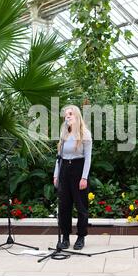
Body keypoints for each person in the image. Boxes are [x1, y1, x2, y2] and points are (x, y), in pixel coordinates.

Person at [53, 105, 92, 250]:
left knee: (81, 206)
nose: (67, 117)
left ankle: (81, 237)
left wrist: (84, 177)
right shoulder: (64, 133)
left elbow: (88, 158)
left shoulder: (85, 134)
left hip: (78, 168)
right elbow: (59, 156)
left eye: (70, 114)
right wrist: (56, 174)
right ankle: (65, 237)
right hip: (64, 169)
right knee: (64, 206)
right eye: (65, 115)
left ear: (77, 116)